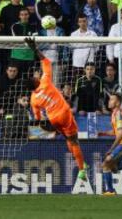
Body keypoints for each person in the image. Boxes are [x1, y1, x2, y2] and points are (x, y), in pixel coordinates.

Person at [25, 37, 87, 181]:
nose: (37, 76)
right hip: (64, 113)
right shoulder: (45, 81)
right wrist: (34, 48)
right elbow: (46, 61)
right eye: (35, 77)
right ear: (35, 81)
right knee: (74, 140)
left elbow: (38, 117)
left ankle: (80, 163)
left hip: (53, 119)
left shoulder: (33, 99)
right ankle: (82, 169)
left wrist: (42, 126)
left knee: (67, 138)